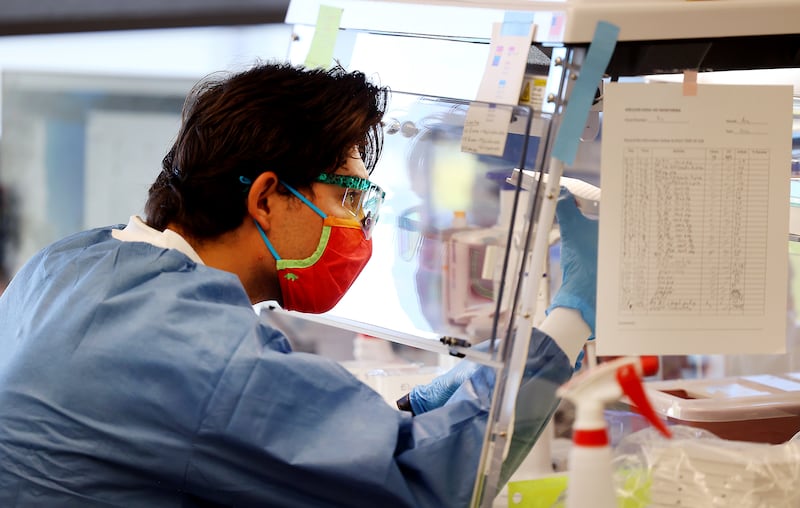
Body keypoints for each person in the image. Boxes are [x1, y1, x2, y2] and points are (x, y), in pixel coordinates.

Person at [0, 62, 598, 507]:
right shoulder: (192, 343)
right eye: (345, 197)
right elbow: (421, 488)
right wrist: (569, 316)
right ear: (265, 199)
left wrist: (414, 408)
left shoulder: (67, 264)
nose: (358, 226)